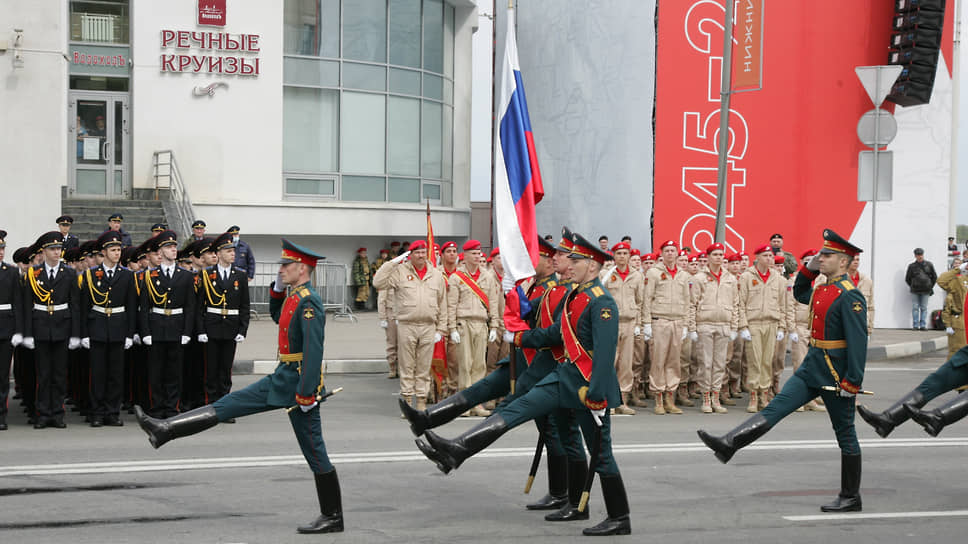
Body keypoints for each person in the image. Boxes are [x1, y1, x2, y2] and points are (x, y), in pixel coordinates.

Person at [415, 231, 632, 536]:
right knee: (518, 408)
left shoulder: (602, 302)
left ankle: (619, 517)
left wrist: (596, 394)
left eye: (577, 259)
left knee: (602, 455)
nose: (571, 263)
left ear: (593, 267)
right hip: (564, 376)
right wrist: (522, 336)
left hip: (587, 387)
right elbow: (556, 332)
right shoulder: (575, 295)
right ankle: (457, 449)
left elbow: (606, 354)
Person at [136, 238, 343, 534]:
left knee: (314, 448)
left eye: (286, 265)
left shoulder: (309, 301)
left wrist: (308, 393)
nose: (281, 269)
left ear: (302, 268)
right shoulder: (295, 296)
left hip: (298, 385)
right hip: (283, 377)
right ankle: (165, 429)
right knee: (228, 404)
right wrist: (277, 290)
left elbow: (313, 350)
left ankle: (333, 515)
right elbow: (277, 317)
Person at [402, 234, 586, 517]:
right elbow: (527, 313)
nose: (527, 261)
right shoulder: (545, 288)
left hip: (544, 366)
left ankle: (564, 495)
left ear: (550, 261)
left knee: (550, 430)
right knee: (486, 393)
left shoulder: (562, 291)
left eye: (533, 256)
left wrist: (522, 333)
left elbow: (555, 333)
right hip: (527, 362)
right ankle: (431, 422)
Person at [699, 229, 868, 513]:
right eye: (821, 254)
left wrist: (852, 381)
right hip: (813, 365)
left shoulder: (851, 296)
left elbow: (858, 343)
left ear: (843, 261)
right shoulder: (824, 288)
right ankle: (730, 443)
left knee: (845, 433)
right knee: (775, 408)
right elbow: (801, 292)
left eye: (827, 255)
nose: (821, 258)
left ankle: (851, 495)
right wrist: (809, 268)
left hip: (835, 374)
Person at [858, 261, 968, 440]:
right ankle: (888, 420)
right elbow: (943, 281)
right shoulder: (962, 279)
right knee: (935, 381)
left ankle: (938, 418)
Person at [373, 240, 447, 412]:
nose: (421, 255)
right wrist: (392, 263)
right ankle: (407, 400)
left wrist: (441, 329)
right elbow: (378, 282)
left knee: (423, 365)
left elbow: (442, 303)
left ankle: (421, 400)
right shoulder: (399, 271)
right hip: (407, 324)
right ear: (410, 255)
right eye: (417, 252)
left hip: (429, 326)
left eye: (423, 252)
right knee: (407, 365)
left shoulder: (435, 274)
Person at [22, 231, 81, 429]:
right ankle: (42, 413)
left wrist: (75, 334)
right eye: (53, 249)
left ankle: (57, 413)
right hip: (40, 326)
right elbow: (27, 305)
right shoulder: (34, 273)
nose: (57, 252)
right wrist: (28, 334)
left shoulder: (69, 273)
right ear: (44, 251)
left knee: (58, 374)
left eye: (59, 249)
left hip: (62, 326)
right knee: (43, 374)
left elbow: (75, 306)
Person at [79, 230, 137, 427]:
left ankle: (112, 412)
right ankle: (97, 412)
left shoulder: (127, 276)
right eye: (112, 250)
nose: (117, 253)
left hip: (118, 327)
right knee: (97, 374)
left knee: (115, 374)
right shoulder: (91, 274)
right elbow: (84, 306)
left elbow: (131, 306)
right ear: (103, 252)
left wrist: (130, 334)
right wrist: (84, 333)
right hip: (97, 327)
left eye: (119, 249)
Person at [138, 230, 196, 419]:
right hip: (156, 326)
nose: (173, 250)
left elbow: (190, 307)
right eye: (169, 247)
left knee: (174, 372)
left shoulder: (186, 276)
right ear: (160, 252)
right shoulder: (149, 276)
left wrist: (187, 331)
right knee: (155, 372)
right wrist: (145, 331)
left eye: (174, 247)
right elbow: (144, 306)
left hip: (177, 327)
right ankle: (156, 406)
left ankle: (172, 407)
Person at [197, 232, 250, 408]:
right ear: (218, 254)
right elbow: (199, 306)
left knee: (225, 370)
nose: (232, 254)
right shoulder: (207, 274)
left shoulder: (240, 275)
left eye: (233, 251)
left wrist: (243, 330)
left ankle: (224, 405)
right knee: (210, 369)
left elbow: (244, 305)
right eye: (228, 251)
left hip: (231, 327)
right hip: (212, 325)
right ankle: (210, 405)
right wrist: (201, 330)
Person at [446, 240, 500, 416]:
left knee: (479, 365)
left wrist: (494, 326)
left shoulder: (488, 277)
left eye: (479, 254)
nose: (478, 257)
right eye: (474, 254)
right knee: (465, 364)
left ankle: (476, 403)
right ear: (466, 255)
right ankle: (465, 403)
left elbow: (493, 302)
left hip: (481, 324)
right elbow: (451, 305)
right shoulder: (457, 277)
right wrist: (452, 328)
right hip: (463, 323)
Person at [737, 245, 793, 413]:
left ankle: (764, 394)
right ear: (758, 257)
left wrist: (782, 326)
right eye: (765, 255)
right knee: (754, 360)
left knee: (768, 361)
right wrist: (743, 325)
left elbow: (783, 305)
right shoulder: (747, 277)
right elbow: (740, 303)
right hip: (753, 323)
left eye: (771, 256)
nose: (769, 258)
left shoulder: (779, 279)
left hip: (772, 323)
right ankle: (754, 395)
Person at [689, 243, 739, 414]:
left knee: (719, 363)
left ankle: (716, 397)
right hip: (705, 324)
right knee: (705, 363)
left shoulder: (730, 278)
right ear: (708, 257)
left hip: (723, 324)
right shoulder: (699, 278)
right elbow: (692, 304)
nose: (719, 257)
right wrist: (692, 328)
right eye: (715, 254)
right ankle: (705, 397)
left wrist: (734, 326)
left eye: (721, 254)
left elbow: (735, 304)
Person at [643, 239, 691, 415]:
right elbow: (647, 299)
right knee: (658, 360)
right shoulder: (654, 273)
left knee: (674, 361)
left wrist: (686, 324)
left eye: (673, 250)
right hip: (660, 321)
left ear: (677, 253)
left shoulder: (683, 275)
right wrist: (647, 323)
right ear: (662, 253)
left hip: (677, 321)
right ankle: (658, 398)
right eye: (667, 250)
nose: (670, 253)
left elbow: (687, 300)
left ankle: (670, 398)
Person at [601, 241, 644, 415]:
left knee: (626, 364)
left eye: (625, 253)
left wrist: (640, 324)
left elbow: (640, 301)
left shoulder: (637, 276)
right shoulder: (605, 274)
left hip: (629, 323)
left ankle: (622, 401)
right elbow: (600, 300)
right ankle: (607, 401)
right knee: (610, 362)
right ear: (614, 255)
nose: (622, 257)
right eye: (619, 253)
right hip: (611, 323)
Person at [0, 231, 22, 430]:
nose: (0, 252)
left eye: (2, 248)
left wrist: (18, 330)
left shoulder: (12, 271)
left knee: (2, 376)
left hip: (5, 329)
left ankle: (1, 416)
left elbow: (18, 302)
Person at [905, 248, 937, 330]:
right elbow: (907, 278)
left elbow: (934, 277)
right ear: (915, 256)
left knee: (924, 308)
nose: (920, 256)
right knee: (915, 308)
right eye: (918, 255)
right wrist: (913, 285)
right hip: (915, 290)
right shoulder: (912, 266)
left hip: (926, 290)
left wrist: (930, 286)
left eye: (921, 254)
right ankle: (915, 325)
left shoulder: (929, 264)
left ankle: (923, 325)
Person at [940, 264, 968, 358]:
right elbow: (941, 281)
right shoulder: (959, 282)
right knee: (958, 353)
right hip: (961, 323)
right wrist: (958, 269)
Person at [847, 255, 874, 337]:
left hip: (862, 324)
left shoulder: (867, 281)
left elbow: (870, 306)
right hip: (845, 325)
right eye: (853, 260)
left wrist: (869, 327)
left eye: (857, 260)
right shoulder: (839, 279)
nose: (856, 262)